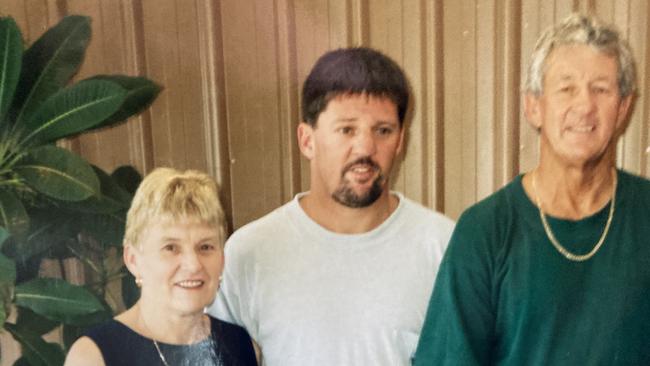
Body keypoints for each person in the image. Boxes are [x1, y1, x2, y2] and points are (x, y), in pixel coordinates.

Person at [414, 13, 650, 365]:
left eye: (601, 89)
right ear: (533, 106)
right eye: (566, 88)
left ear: (623, 108)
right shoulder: (484, 231)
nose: (584, 106)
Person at [207, 47, 454, 365]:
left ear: (401, 141)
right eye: (346, 129)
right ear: (307, 140)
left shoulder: (442, 246)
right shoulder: (249, 252)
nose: (365, 147)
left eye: (382, 131)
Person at [65, 168, 257, 366]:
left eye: (205, 247)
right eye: (171, 248)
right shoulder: (93, 356)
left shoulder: (239, 344)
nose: (193, 264)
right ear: (133, 259)